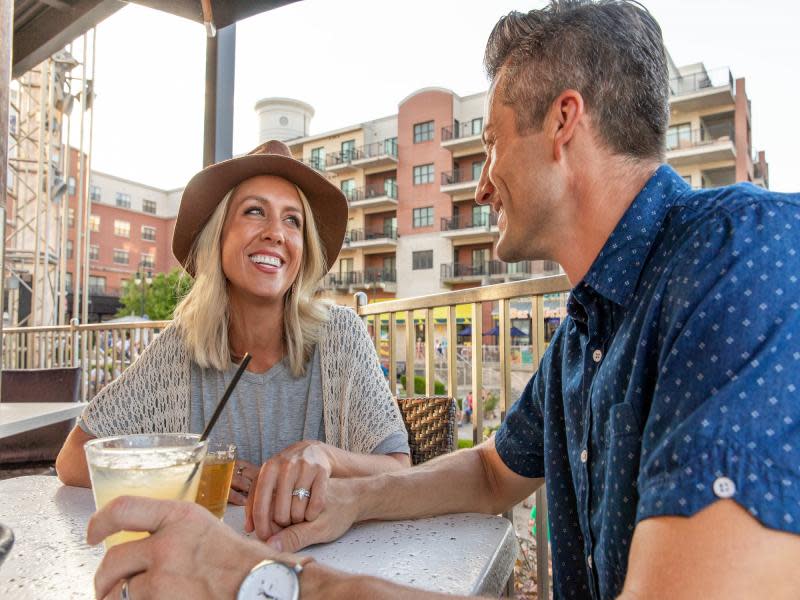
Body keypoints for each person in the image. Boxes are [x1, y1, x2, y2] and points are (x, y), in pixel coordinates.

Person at [90, 2, 800, 598]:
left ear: (564, 121)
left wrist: (257, 579)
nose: (482, 183)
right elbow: (492, 471)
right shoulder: (586, 331)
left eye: (490, 144)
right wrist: (354, 497)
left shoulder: (745, 259)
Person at [57, 140, 410, 531]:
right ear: (219, 236)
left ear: (303, 249)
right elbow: (73, 459)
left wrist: (324, 456)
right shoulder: (179, 349)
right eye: (255, 211)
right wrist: (187, 475)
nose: (276, 233)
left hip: (325, 561)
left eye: (292, 220)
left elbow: (399, 469)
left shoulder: (341, 335)